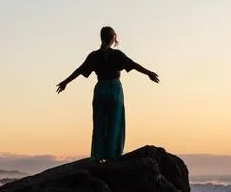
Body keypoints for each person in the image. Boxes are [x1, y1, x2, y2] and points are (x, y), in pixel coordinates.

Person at [56, 26, 160, 162]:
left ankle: (98, 155)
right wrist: (149, 73)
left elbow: (79, 70)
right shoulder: (117, 55)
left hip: (100, 89)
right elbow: (133, 65)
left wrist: (65, 82)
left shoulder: (94, 56)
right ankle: (113, 155)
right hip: (114, 89)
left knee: (99, 123)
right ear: (113, 38)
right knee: (115, 123)